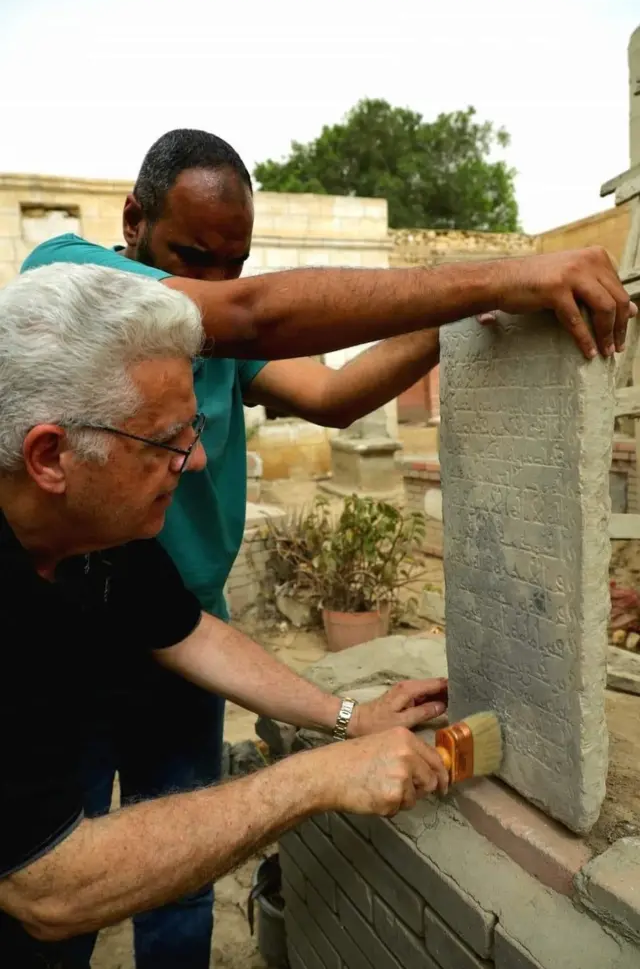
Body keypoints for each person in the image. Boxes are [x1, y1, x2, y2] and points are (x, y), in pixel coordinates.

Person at [22, 128, 638, 969]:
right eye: (192, 255)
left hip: (182, 622)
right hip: (80, 647)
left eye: (231, 261)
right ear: (133, 220)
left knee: (184, 866)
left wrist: (458, 316)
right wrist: (498, 272)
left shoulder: (132, 556)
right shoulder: (75, 282)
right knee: (63, 875)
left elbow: (331, 393)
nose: (194, 456)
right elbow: (48, 885)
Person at [0, 263, 452, 969]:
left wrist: (349, 719)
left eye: (196, 428)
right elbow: (50, 885)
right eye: (167, 440)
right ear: (51, 455)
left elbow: (189, 631)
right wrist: (320, 776)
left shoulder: (96, 530)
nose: (200, 457)